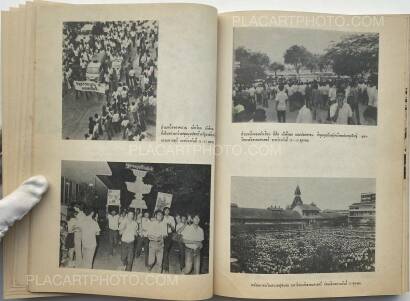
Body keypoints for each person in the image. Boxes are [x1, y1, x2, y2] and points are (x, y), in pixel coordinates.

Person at [162, 207, 176, 273]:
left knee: (166, 250)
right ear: (163, 211)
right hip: (162, 235)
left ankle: (165, 267)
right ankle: (165, 267)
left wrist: (170, 225)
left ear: (169, 211)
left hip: (169, 235)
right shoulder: (161, 217)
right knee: (164, 250)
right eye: (165, 211)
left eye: (168, 211)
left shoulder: (172, 218)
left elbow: (173, 229)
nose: (167, 212)